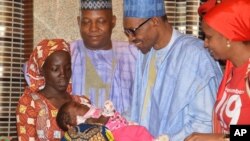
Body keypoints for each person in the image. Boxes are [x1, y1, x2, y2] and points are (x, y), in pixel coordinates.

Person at [123, 0, 223, 140]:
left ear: (154, 21)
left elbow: (205, 125)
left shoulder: (195, 55)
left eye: (133, 31)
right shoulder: (145, 53)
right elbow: (139, 109)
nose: (131, 39)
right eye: (127, 32)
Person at [185, 0, 250, 140]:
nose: (205, 44)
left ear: (227, 37)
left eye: (209, 37)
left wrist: (222, 138)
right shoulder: (232, 71)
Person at [70, 0, 137, 117]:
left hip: (125, 132)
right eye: (86, 22)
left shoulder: (133, 54)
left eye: (101, 21)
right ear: (78, 22)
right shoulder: (68, 53)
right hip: (77, 133)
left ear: (113, 21)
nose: (93, 28)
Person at [16, 39, 90, 140]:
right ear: (42, 70)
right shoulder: (30, 103)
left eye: (67, 68)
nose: (63, 74)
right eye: (55, 69)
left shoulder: (82, 103)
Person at [57, 100, 169, 141]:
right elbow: (99, 124)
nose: (81, 104)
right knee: (131, 136)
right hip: (114, 134)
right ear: (71, 123)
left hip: (124, 126)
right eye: (77, 106)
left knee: (140, 130)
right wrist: (106, 113)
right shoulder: (85, 123)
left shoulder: (92, 109)